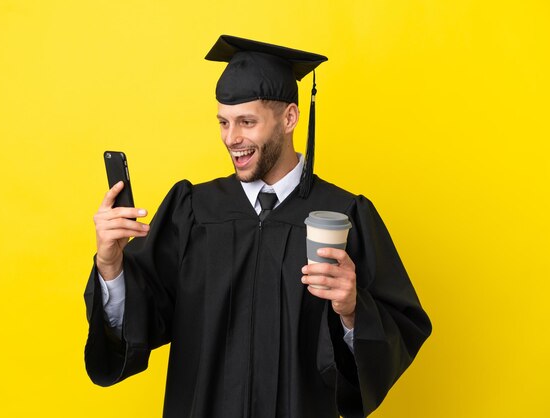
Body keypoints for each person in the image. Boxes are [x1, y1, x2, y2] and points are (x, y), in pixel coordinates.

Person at [84, 35, 432, 418]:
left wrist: (352, 310)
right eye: (223, 122)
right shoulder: (194, 211)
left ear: (289, 118)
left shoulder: (343, 214)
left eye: (247, 122)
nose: (232, 139)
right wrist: (111, 265)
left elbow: (395, 338)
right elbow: (140, 324)